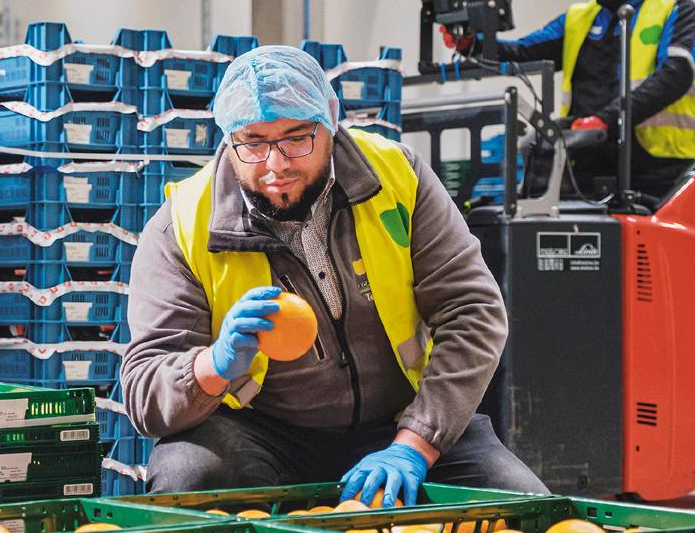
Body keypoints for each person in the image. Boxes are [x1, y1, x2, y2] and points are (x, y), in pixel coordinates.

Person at [120, 45, 548, 506]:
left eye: (296, 138)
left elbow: (473, 311)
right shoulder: (182, 226)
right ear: (227, 139)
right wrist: (212, 366)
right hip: (265, 436)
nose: (275, 165)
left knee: (527, 513)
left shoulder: (397, 177)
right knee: (190, 476)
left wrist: (416, 444)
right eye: (253, 142)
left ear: (331, 121)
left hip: (405, 422)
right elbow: (146, 393)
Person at [451, 0, 695, 198]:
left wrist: (605, 119)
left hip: (656, 169)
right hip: (585, 159)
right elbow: (524, 52)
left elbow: (676, 74)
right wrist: (471, 44)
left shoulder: (675, 9)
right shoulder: (578, 18)